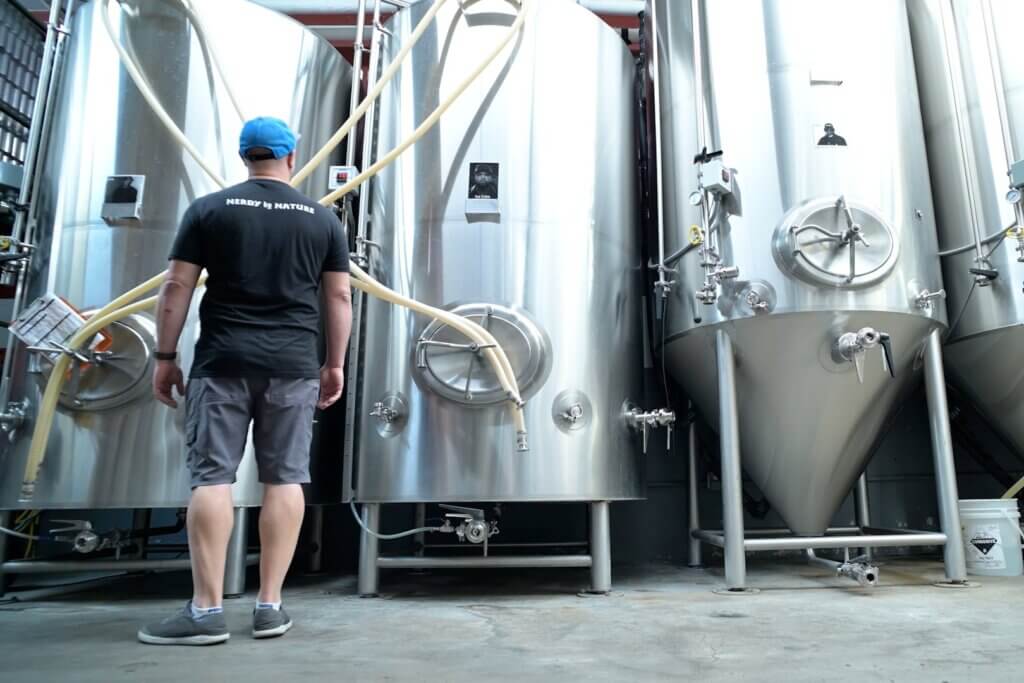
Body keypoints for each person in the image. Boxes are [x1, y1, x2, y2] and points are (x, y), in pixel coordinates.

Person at [138, 117, 352, 645]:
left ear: (244, 157)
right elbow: (339, 296)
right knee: (285, 478)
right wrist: (335, 363)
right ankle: (270, 606)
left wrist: (164, 356)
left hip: (223, 362)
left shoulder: (209, 209)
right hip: (293, 365)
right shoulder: (321, 220)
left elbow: (176, 287)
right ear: (291, 158)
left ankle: (206, 612)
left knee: (212, 478)